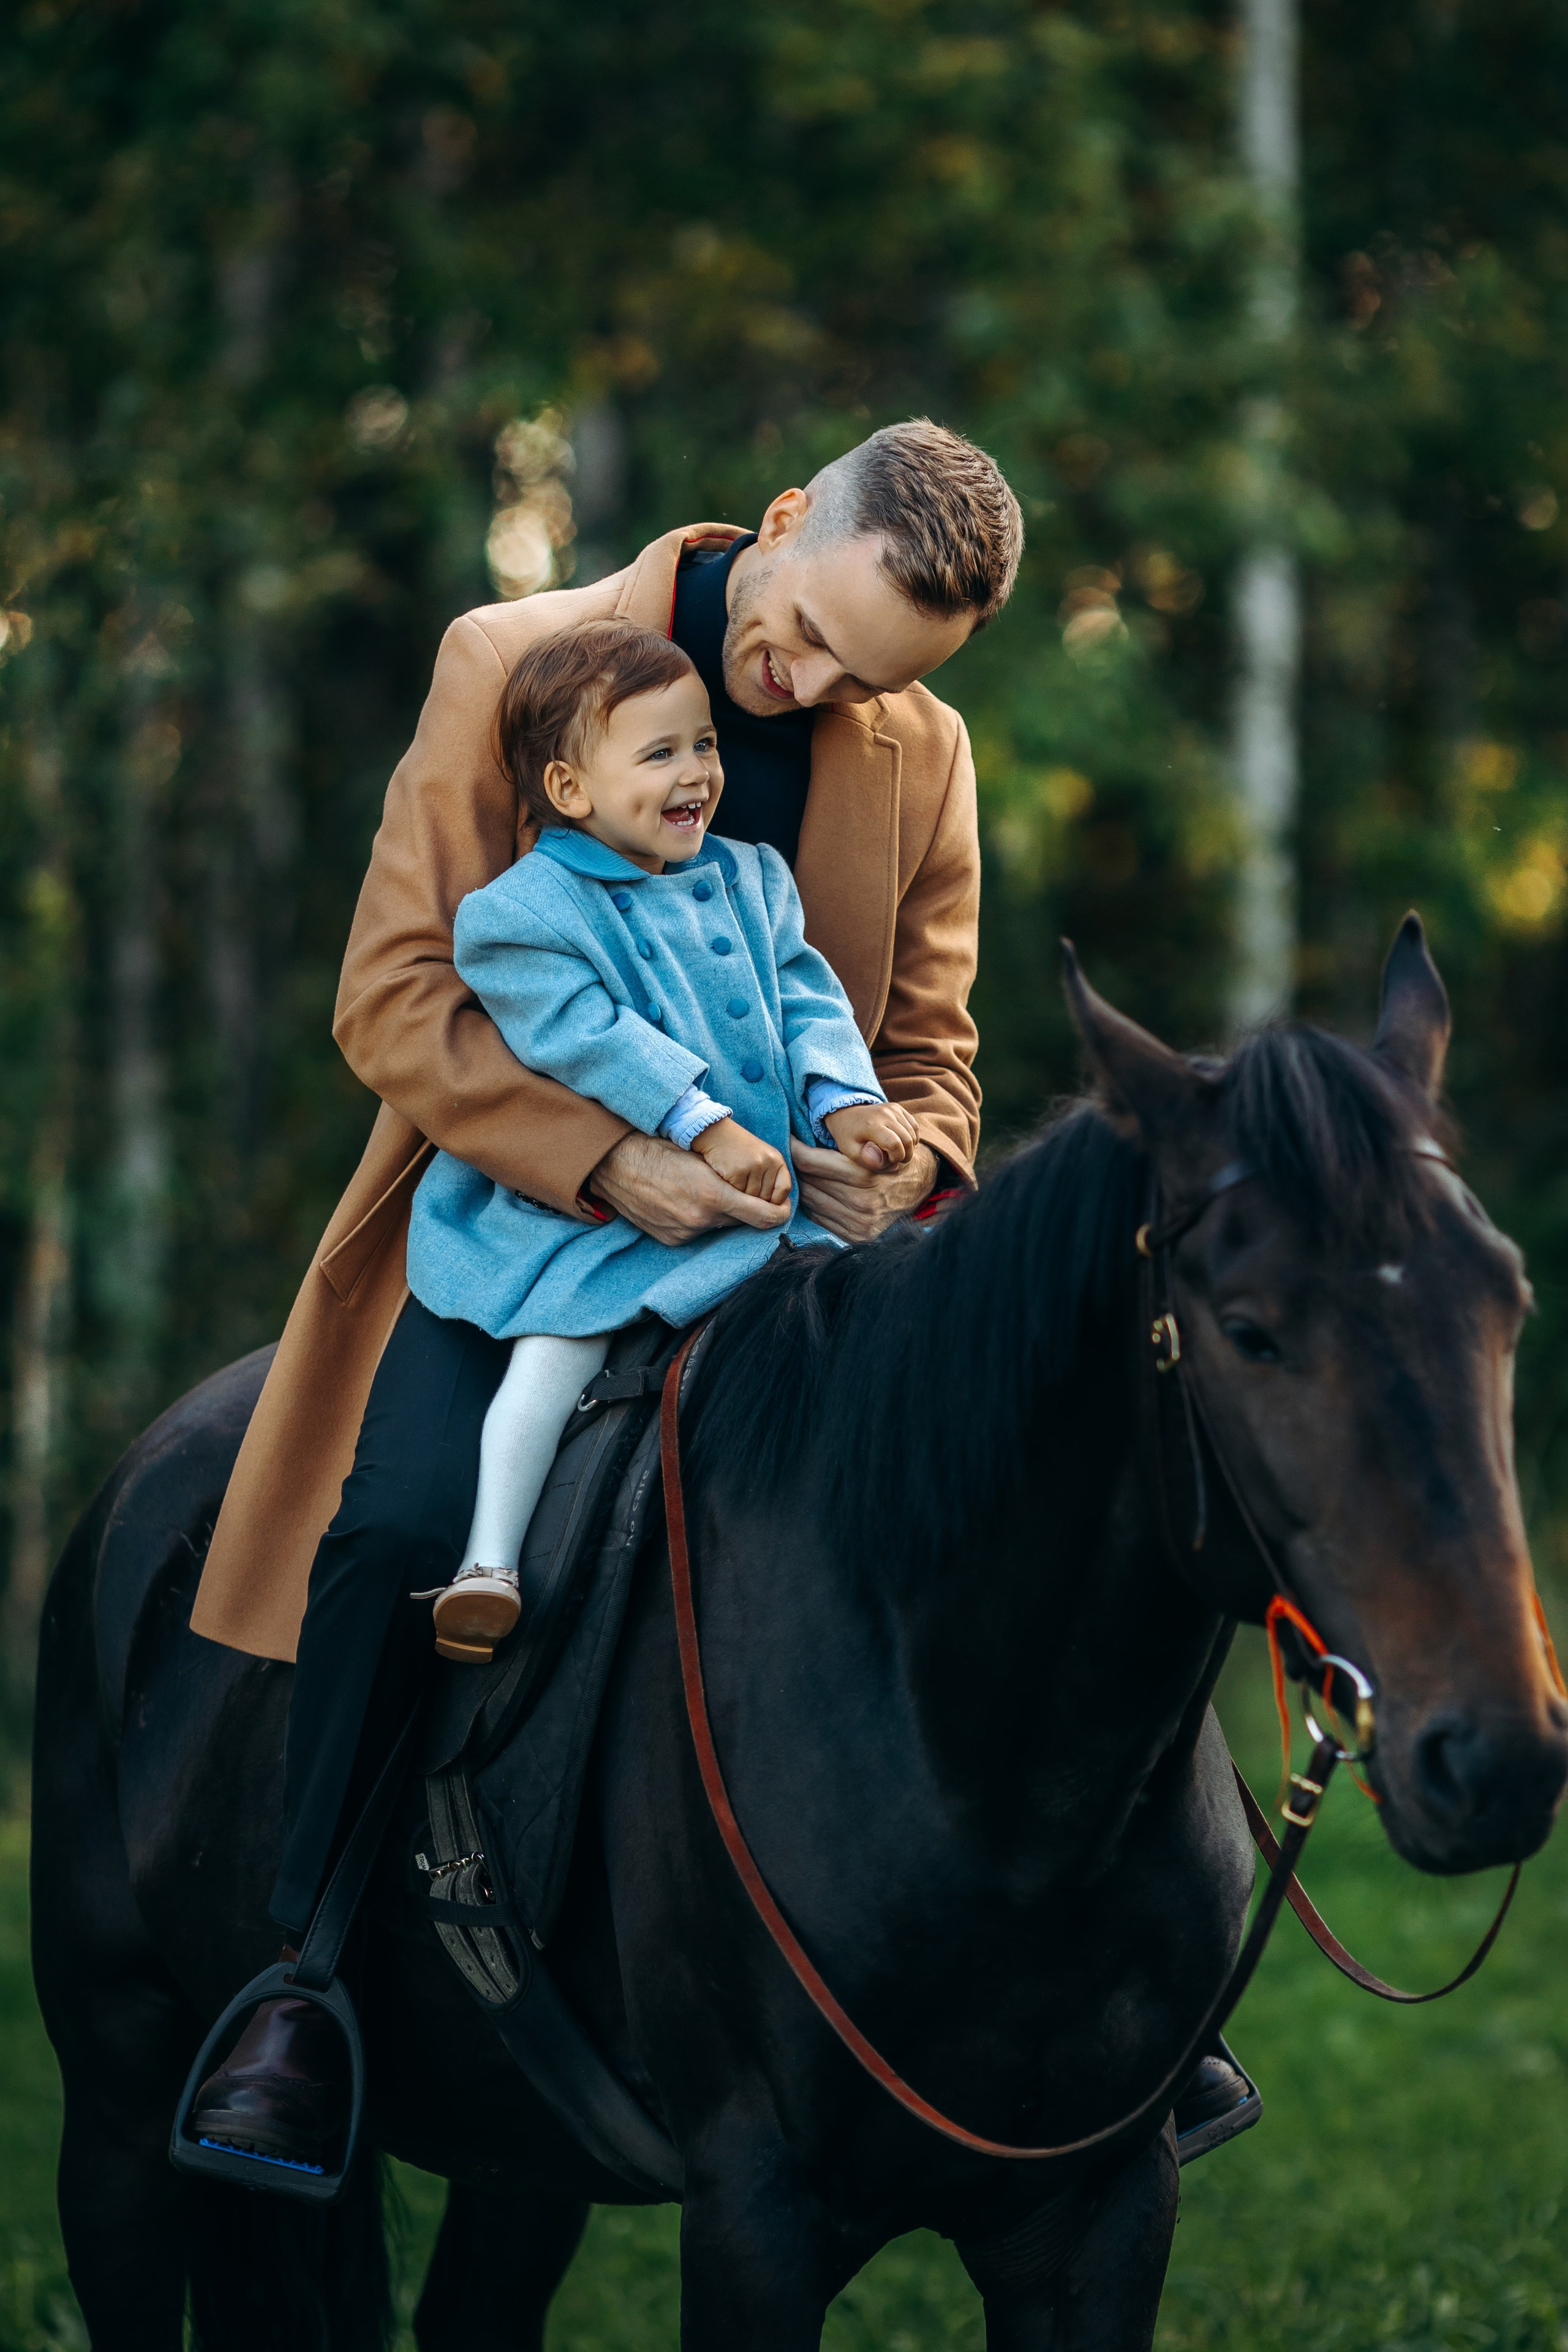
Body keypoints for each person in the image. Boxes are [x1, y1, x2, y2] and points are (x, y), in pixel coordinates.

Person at [187, 417, 1249, 2165]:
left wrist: (901, 1154)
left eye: (863, 680)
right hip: (529, 1224)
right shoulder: (508, 661)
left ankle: (1134, 1978)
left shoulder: (925, 750)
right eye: (807, 636)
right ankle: (301, 1982)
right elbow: (394, 997)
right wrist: (613, 1158)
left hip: (805, 1249)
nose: (811, 687)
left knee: (1073, 1481)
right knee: (395, 1532)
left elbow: (929, 1048)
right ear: (782, 519)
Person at [405, 616, 918, 1662]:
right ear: (569, 788)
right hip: (601, 1215)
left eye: (706, 744)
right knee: (557, 1352)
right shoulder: (521, 914)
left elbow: (805, 998)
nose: (697, 774)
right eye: (661, 754)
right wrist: (703, 1124)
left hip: (765, 1202)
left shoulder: (753, 876)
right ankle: (490, 1564)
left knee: (886, 1312)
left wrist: (846, 1101)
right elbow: (587, 1037)